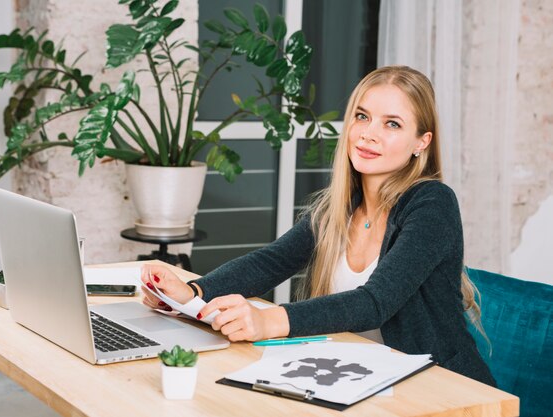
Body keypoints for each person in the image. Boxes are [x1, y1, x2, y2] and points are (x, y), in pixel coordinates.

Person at [140, 65, 496, 386]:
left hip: (440, 389)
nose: (368, 134)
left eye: (392, 124)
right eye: (362, 116)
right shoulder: (338, 207)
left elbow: (375, 302)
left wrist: (269, 321)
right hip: (359, 381)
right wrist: (194, 294)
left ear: (422, 142)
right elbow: (271, 262)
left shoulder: (432, 203)